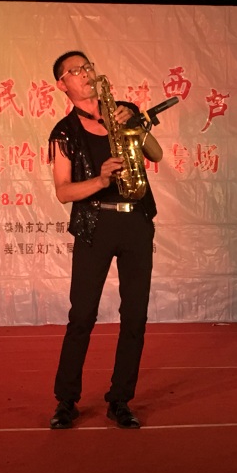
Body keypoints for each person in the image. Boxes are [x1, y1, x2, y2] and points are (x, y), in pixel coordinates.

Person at [46, 50, 163, 430]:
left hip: (136, 223)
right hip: (95, 225)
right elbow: (63, 192)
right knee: (82, 315)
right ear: (62, 84)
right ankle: (66, 401)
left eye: (88, 67)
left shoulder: (125, 111)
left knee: (135, 315)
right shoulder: (65, 132)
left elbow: (157, 154)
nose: (85, 74)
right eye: (75, 71)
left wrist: (138, 127)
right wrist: (100, 179)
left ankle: (120, 399)